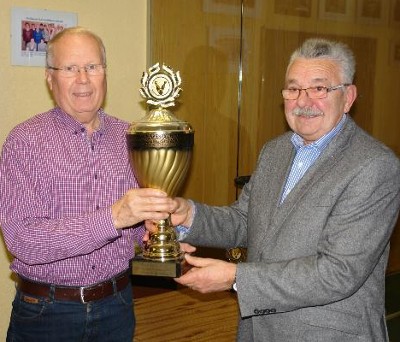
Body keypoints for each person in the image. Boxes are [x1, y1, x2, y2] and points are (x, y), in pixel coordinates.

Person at [153, 38, 400, 341]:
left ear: (348, 97)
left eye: (319, 89)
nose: (303, 101)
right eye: (293, 88)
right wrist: (188, 214)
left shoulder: (373, 165)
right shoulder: (275, 151)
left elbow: (338, 272)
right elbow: (245, 221)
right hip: (258, 329)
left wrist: (235, 278)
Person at [0, 26, 174, 341]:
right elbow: (21, 240)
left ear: (104, 74)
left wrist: (153, 232)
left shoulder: (131, 137)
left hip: (117, 305)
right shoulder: (23, 141)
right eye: (70, 68)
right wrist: (112, 218)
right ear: (50, 78)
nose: (83, 79)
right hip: (45, 312)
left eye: (92, 67)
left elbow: (134, 228)